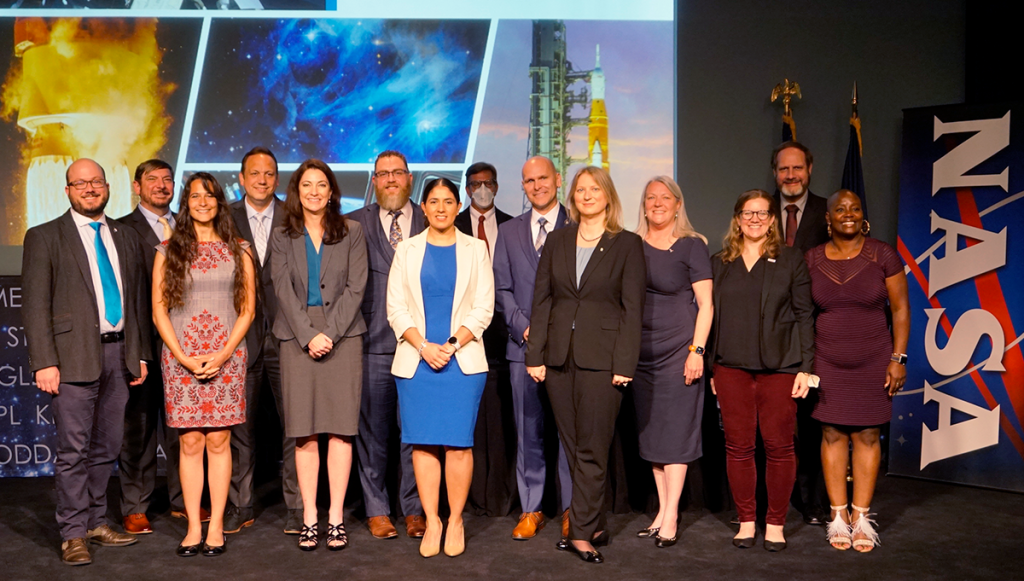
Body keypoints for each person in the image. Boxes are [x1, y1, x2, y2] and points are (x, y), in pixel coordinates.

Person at [23, 158, 151, 566]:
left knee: (107, 447)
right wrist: (44, 361)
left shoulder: (125, 235)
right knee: (73, 450)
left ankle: (97, 521)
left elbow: (136, 301)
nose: (90, 188)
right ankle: (73, 532)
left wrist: (139, 353)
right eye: (81, 183)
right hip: (71, 356)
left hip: (119, 353)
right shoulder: (44, 236)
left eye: (96, 181)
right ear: (67, 191)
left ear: (108, 187)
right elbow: (36, 304)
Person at [525, 166, 646, 564]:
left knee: (593, 447)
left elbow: (633, 310)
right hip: (559, 359)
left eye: (595, 189)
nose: (587, 194)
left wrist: (625, 362)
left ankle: (579, 532)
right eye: (580, 189)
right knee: (574, 447)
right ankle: (593, 523)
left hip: (604, 360)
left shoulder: (626, 244)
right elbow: (542, 302)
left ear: (608, 196)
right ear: (572, 196)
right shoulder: (558, 241)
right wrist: (536, 355)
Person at [386, 178, 494, 558]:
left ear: (458, 204)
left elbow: (484, 308)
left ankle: (456, 520)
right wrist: (423, 346)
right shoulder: (407, 250)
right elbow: (395, 308)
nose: (442, 208)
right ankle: (432, 520)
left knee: (458, 444)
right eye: (434, 201)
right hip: (416, 362)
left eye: (449, 201)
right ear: (424, 206)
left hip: (461, 362)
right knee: (423, 443)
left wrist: (448, 346)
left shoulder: (476, 249)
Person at [153, 172, 256, 557]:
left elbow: (247, 310)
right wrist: (183, 358)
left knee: (219, 439)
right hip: (181, 359)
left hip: (227, 356)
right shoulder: (166, 250)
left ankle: (216, 527)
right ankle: (194, 525)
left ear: (219, 202)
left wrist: (224, 353)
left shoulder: (239, 248)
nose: (202, 202)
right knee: (191, 441)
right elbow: (159, 310)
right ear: (186, 202)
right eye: (195, 196)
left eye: (209, 196)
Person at [707, 189, 814, 552]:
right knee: (738, 447)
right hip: (730, 368)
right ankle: (747, 520)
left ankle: (775, 523)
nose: (754, 219)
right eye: (747, 213)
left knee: (779, 446)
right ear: (737, 218)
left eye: (762, 213)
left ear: (772, 219)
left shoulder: (790, 259)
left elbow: (804, 315)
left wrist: (806, 368)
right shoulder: (718, 262)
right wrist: (711, 369)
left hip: (780, 368)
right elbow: (710, 318)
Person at [270, 159, 368, 551]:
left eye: (321, 184)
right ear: (297, 191)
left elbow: (357, 287)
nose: (314, 191)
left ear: (331, 192)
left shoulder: (354, 232)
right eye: (306, 184)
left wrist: (329, 332)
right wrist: (310, 335)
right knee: (304, 431)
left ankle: (336, 518)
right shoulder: (282, 235)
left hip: (343, 337)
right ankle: (310, 516)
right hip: (296, 339)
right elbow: (281, 290)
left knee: (341, 431)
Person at [807, 189, 910, 552]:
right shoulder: (812, 259)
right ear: (828, 217)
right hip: (828, 361)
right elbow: (804, 315)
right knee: (833, 433)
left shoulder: (883, 254)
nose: (847, 214)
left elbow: (900, 310)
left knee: (867, 435)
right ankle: (837, 516)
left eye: (854, 208)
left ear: (862, 215)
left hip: (874, 360)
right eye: (840, 209)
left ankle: (861, 517)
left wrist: (899, 358)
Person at [346, 150, 426, 540]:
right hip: (372, 344)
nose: (391, 179)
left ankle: (414, 509)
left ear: (410, 179)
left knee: (415, 432)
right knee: (373, 433)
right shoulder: (350, 225)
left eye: (398, 173)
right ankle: (377, 509)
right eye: (383, 174)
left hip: (422, 346)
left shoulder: (433, 219)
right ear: (373, 180)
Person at [492, 156, 573, 540]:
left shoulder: (578, 226)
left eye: (543, 178)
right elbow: (502, 289)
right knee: (528, 432)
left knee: (570, 432)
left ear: (558, 179)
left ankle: (574, 509)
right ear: (522, 185)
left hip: (570, 350)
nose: (537, 185)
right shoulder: (508, 232)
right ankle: (532, 508)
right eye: (529, 180)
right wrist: (525, 329)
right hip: (521, 349)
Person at [631, 176, 713, 548]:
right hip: (641, 355)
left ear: (678, 204)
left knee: (676, 435)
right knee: (653, 435)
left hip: (680, 352)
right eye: (651, 198)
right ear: (644, 204)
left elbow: (707, 304)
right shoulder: (631, 245)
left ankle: (672, 514)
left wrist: (697, 351)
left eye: (666, 198)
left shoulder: (691, 246)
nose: (658, 203)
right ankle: (662, 510)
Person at [227, 146, 302, 535]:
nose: (262, 180)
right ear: (241, 178)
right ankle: (242, 503)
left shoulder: (295, 213)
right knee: (241, 426)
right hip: (239, 338)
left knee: (294, 424)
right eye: (254, 173)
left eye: (269, 174)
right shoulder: (223, 216)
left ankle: (297, 506)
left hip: (289, 334)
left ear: (277, 178)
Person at [116, 159, 188, 534]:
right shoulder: (122, 230)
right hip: (143, 345)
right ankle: (135, 505)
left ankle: (183, 500)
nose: (161, 186)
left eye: (167, 180)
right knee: (139, 430)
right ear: (136, 186)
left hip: (187, 346)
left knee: (182, 430)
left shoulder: (190, 226)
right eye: (153, 180)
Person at [452, 161, 515, 518]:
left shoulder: (512, 225)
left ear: (497, 185)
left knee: (503, 420)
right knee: (469, 422)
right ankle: (472, 497)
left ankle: (502, 495)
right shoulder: (452, 224)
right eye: (475, 183)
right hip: (461, 338)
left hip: (505, 337)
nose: (482, 189)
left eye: (488, 182)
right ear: (466, 188)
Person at [772, 140, 829, 525]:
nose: (790, 176)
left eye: (797, 168)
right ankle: (774, 497)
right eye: (783, 169)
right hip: (770, 331)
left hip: (817, 328)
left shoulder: (831, 211)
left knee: (811, 420)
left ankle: (812, 501)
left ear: (809, 169)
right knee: (773, 423)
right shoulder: (759, 213)